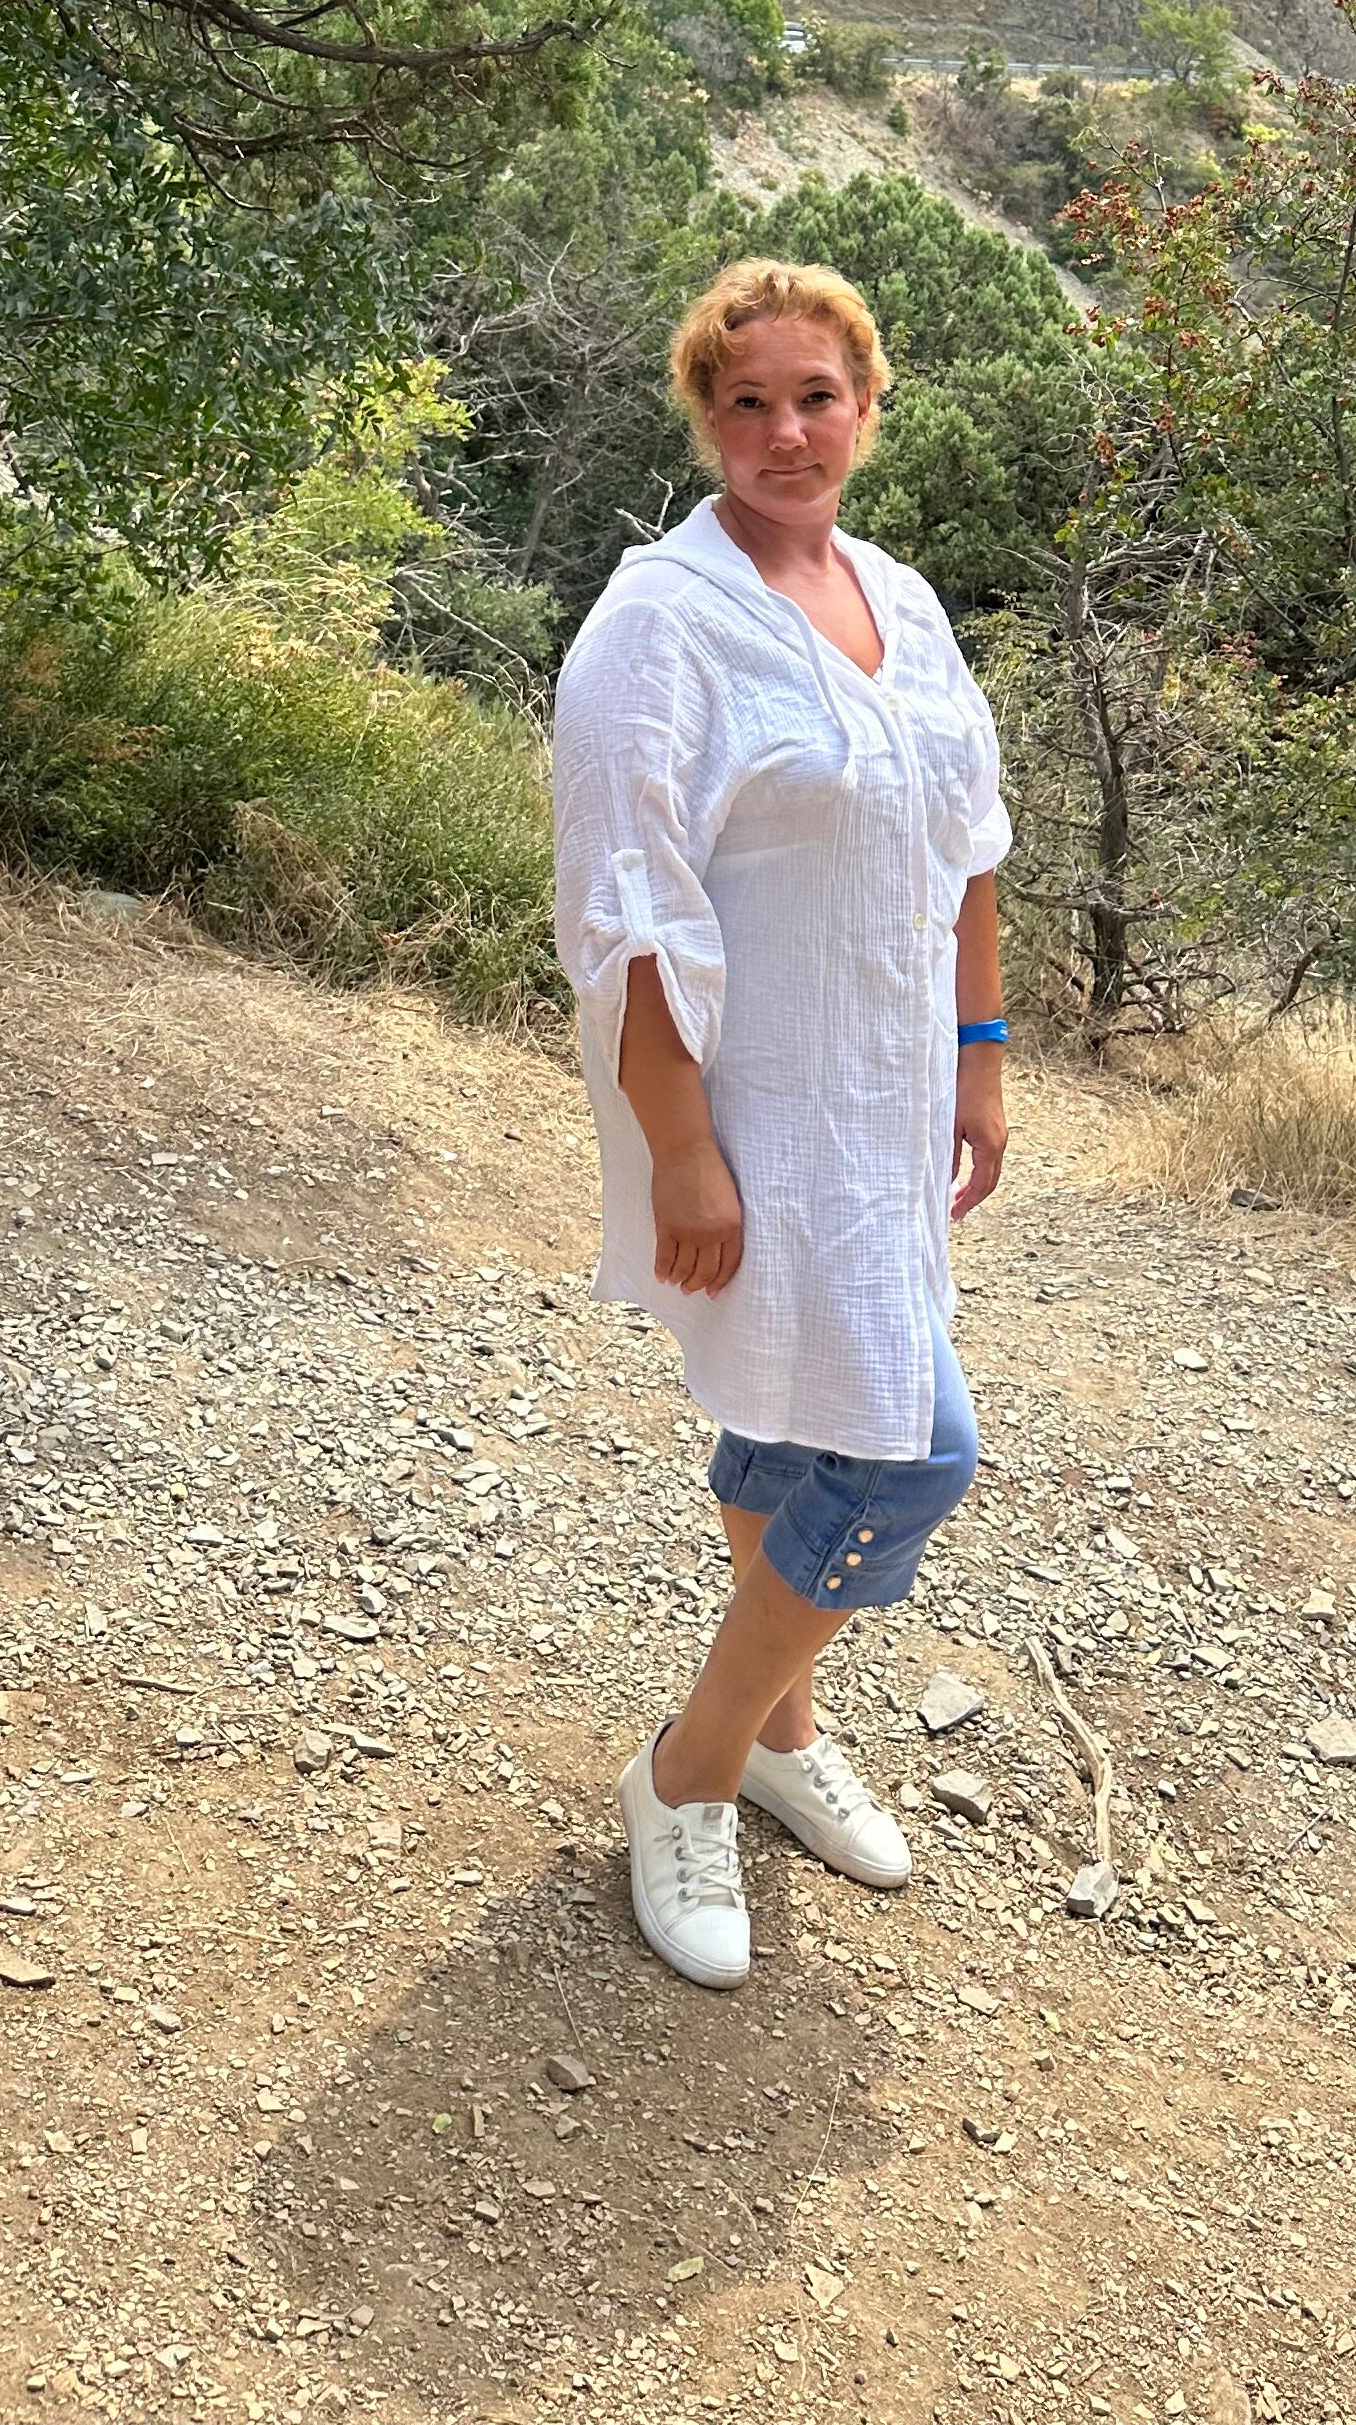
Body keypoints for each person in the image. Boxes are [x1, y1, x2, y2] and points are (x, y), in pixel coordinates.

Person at [550, 255, 1013, 1989]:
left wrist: (980, 1053)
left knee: (790, 1427)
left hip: (888, 1108)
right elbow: (628, 906)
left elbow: (970, 842)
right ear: (705, 417)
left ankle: (780, 1732)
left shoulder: (901, 599)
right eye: (746, 401)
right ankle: (689, 1766)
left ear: (869, 407)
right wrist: (681, 1145)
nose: (785, 431)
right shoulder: (661, 624)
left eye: (817, 397)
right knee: (913, 1451)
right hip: (757, 1120)